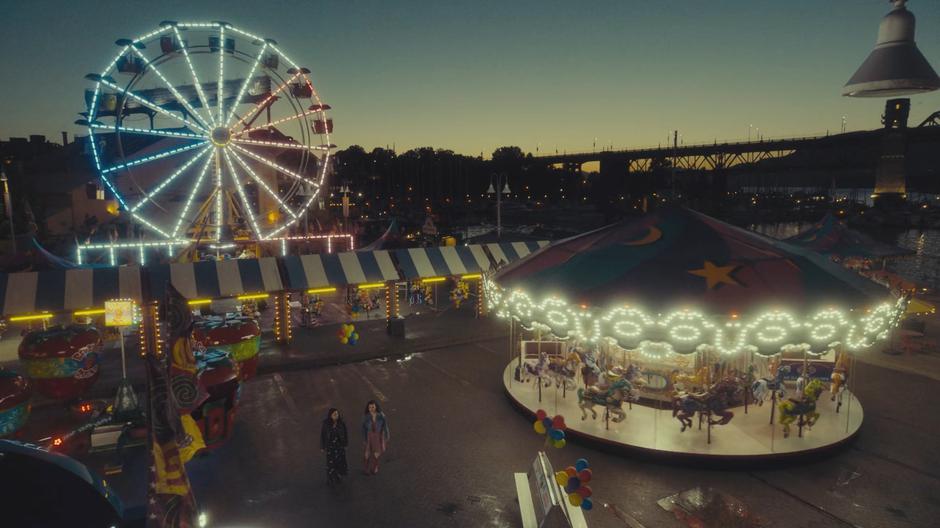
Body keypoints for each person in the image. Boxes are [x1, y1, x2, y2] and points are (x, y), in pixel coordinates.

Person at [320, 408, 348, 485]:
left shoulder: (341, 423)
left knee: (339, 462)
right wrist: (322, 446)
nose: (336, 415)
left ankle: (338, 475)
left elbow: (345, 434)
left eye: (337, 414)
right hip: (330, 447)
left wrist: (345, 444)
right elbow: (322, 435)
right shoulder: (326, 424)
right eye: (334, 414)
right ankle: (330, 478)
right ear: (330, 415)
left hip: (339, 446)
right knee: (330, 463)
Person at [361, 400, 390, 475]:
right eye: (370, 407)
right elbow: (363, 428)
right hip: (369, 436)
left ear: (376, 407)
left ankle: (374, 468)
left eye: (373, 407)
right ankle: (366, 469)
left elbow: (385, 426)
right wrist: (364, 439)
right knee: (367, 453)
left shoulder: (381, 416)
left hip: (378, 436)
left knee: (376, 453)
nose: (371, 408)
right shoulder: (366, 417)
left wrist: (387, 435)